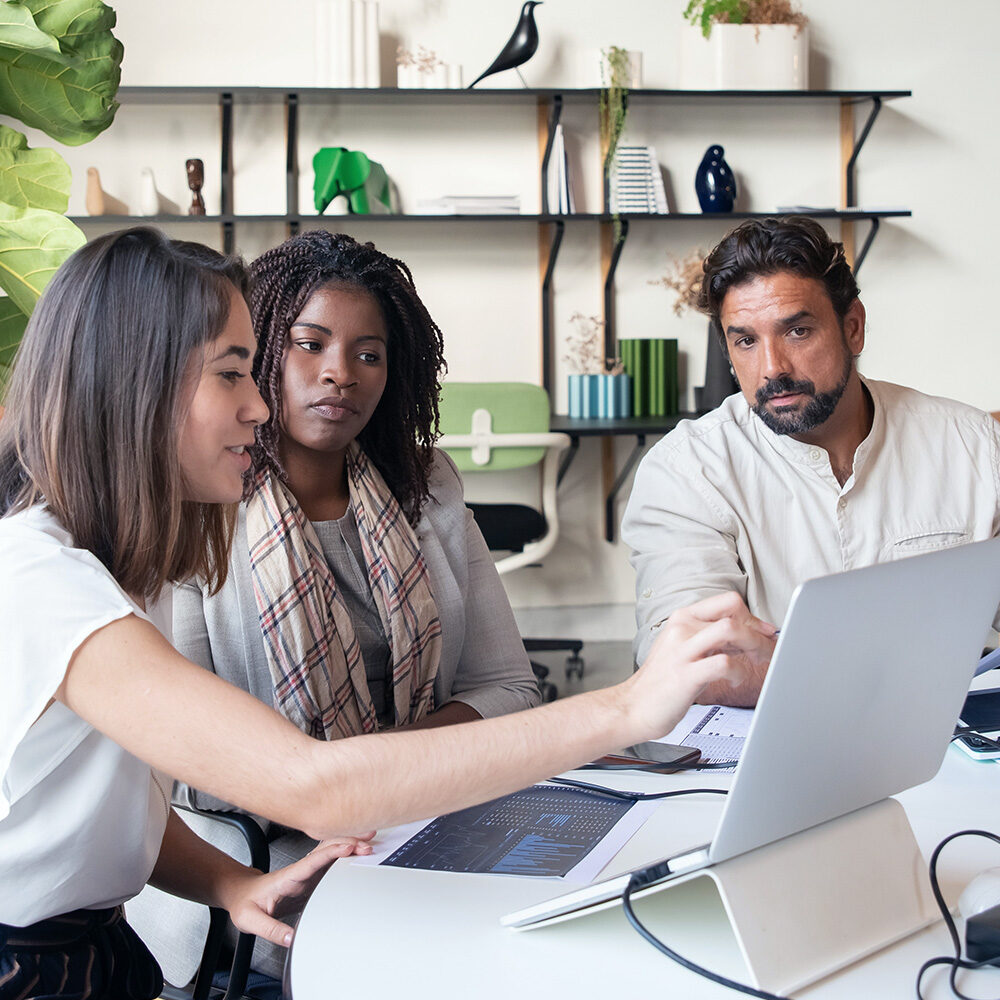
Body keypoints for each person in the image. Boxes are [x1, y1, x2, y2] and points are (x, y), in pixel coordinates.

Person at [0, 226, 774, 1000]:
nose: (258, 404)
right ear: (138, 386)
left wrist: (230, 884)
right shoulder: (45, 582)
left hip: (100, 949)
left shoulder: (116, 563)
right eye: (234, 374)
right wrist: (631, 707)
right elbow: (312, 787)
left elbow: (115, 796)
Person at [139, 229, 541, 984]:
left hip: (429, 830)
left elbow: (509, 687)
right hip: (270, 871)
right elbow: (192, 765)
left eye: (368, 354)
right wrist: (365, 783)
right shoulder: (197, 503)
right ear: (256, 355)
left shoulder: (428, 486)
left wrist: (385, 778)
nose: (339, 374)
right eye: (309, 343)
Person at [622, 215, 1000, 707]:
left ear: (853, 328)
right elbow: (690, 662)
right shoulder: (686, 471)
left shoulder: (972, 445)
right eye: (746, 341)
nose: (773, 367)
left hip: (956, 742)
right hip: (762, 753)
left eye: (797, 331)